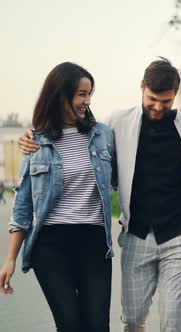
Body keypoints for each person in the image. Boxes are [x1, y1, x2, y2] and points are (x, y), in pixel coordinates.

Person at [17, 58, 181, 332]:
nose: (159, 107)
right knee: (134, 318)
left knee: (173, 319)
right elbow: (80, 138)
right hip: (137, 235)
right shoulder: (116, 124)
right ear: (141, 88)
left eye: (167, 101)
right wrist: (32, 135)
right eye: (152, 99)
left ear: (175, 96)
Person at [0, 62, 116, 332]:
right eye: (81, 94)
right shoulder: (37, 142)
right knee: (70, 324)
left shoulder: (103, 135)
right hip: (50, 244)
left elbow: (125, 178)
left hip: (93, 240)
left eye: (90, 94)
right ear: (60, 96)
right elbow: (24, 205)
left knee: (98, 325)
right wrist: (10, 259)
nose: (87, 101)